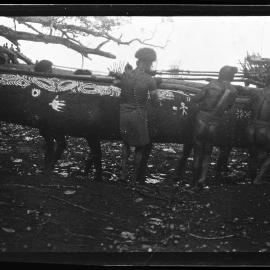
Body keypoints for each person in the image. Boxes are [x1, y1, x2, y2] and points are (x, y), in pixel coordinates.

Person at [118, 47, 158, 184]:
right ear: (147, 63)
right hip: (139, 115)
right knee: (140, 147)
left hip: (124, 113)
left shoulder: (125, 75)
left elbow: (121, 92)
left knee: (126, 144)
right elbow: (155, 102)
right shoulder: (150, 80)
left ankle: (122, 175)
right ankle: (134, 179)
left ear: (137, 62)